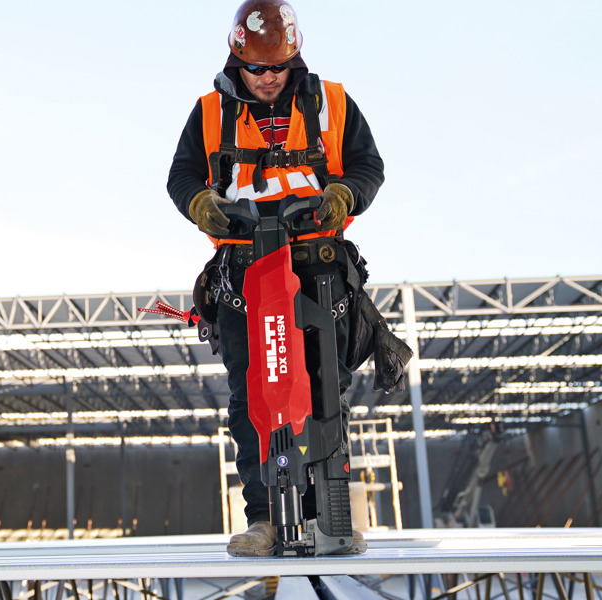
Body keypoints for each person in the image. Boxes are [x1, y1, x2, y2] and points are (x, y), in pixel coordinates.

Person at [167, 0, 384, 557]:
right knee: (253, 399)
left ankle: (328, 516)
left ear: (294, 59)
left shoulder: (331, 102)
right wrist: (198, 203)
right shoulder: (210, 111)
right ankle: (264, 519)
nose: (267, 79)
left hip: (318, 273)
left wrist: (344, 193)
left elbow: (367, 166)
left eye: (278, 68)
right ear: (238, 59)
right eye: (257, 69)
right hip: (244, 275)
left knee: (322, 389)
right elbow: (181, 175)